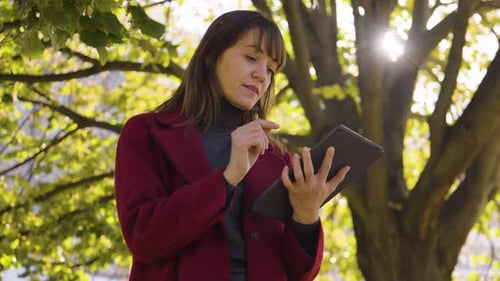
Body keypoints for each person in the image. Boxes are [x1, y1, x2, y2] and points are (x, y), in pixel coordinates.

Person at [114, 10, 350, 281]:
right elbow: (143, 237)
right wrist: (228, 178)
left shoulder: (278, 159)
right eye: (251, 57)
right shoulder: (147, 133)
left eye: (271, 69)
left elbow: (299, 273)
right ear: (211, 55)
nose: (262, 75)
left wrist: (306, 216)